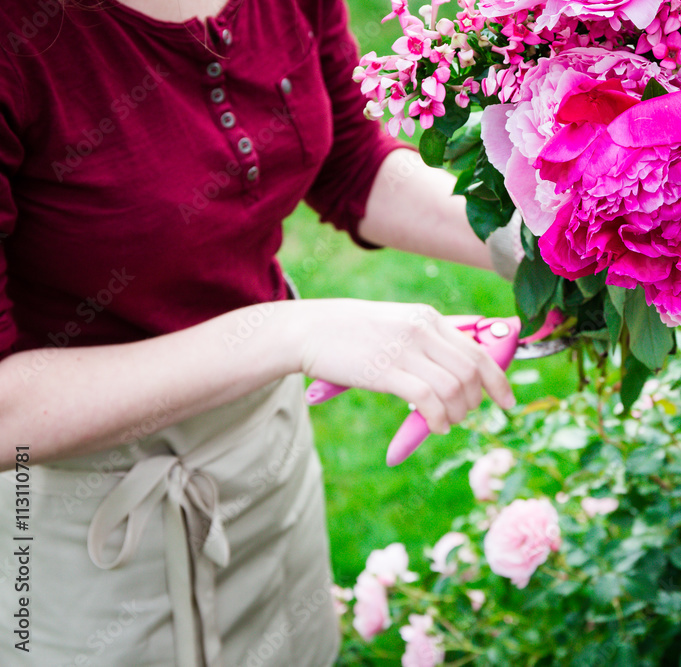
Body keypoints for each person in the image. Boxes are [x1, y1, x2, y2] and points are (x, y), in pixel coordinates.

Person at [0, 0, 518, 664]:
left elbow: (349, 161)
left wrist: (543, 244)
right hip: (75, 519)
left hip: (263, 460)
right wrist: (288, 333)